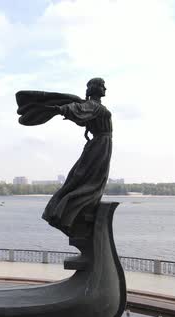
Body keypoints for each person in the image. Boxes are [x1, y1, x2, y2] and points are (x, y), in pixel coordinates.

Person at [41, 78, 112, 235]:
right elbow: (78, 109)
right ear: (94, 88)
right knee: (86, 179)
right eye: (102, 86)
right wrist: (61, 109)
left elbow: (80, 109)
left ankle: (68, 209)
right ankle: (65, 212)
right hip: (100, 146)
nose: (105, 88)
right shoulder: (93, 105)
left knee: (86, 178)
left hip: (101, 146)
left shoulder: (97, 106)